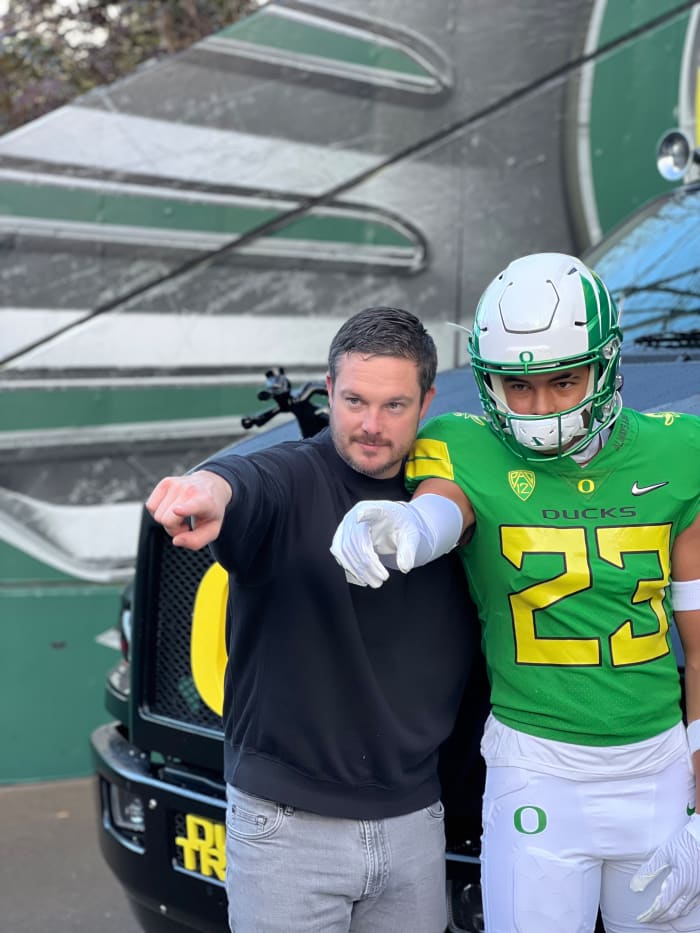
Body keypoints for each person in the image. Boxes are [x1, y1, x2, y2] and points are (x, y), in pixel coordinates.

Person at [331, 253, 700, 933]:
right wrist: (409, 524)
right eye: (516, 385)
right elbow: (447, 507)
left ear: (607, 363)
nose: (540, 407)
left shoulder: (680, 451)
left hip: (658, 771)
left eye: (564, 380)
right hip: (538, 767)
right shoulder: (464, 446)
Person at [145, 306, 483, 933]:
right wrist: (206, 490)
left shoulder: (456, 491)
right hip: (288, 834)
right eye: (354, 400)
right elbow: (244, 480)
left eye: (394, 406)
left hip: (415, 822)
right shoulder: (293, 479)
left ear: (428, 400)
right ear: (328, 390)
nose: (371, 426)